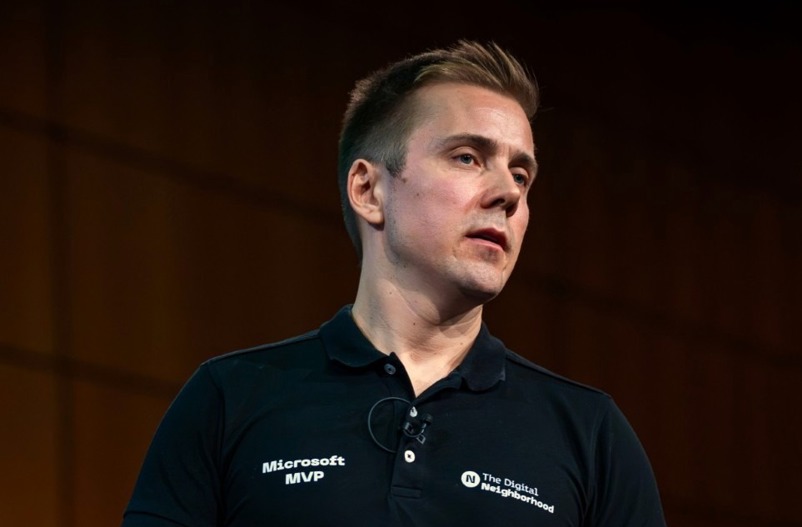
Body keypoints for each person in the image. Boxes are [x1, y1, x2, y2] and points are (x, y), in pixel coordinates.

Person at [122, 40, 666, 526]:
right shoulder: (228, 399)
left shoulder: (591, 434)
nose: (510, 193)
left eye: (522, 174)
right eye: (468, 157)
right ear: (368, 190)